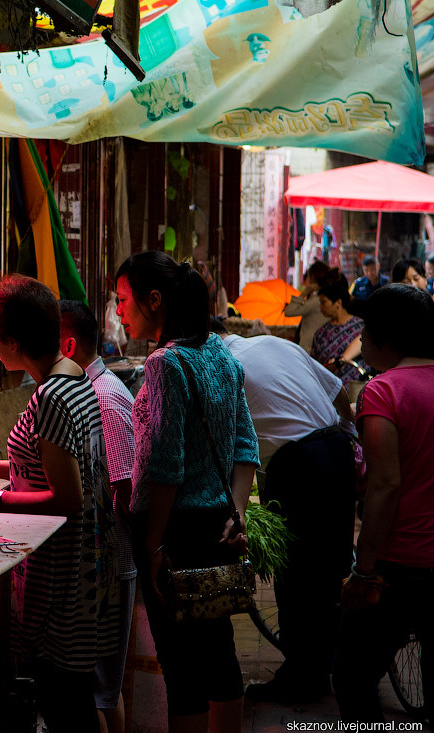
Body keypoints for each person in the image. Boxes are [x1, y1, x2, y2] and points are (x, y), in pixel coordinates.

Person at [0, 275, 114, 733]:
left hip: (64, 577)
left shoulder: (51, 396)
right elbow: (56, 463)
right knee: (71, 698)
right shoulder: (75, 379)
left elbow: (68, 498)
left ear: (11, 341)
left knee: (66, 704)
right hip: (84, 568)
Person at [114, 251, 258, 733]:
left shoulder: (164, 364)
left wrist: (154, 544)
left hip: (173, 528)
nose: (119, 311)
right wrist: (236, 514)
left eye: (124, 300)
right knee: (218, 651)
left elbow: (166, 466)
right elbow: (245, 444)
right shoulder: (219, 352)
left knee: (181, 666)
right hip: (217, 523)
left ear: (154, 301)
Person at [210, 319, 357, 703]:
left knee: (297, 576)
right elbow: (338, 388)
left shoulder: (222, 365)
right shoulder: (276, 345)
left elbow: (230, 445)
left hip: (297, 464)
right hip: (337, 451)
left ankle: (301, 679)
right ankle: (325, 667)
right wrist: (350, 431)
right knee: (332, 569)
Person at [333, 284, 434, 723]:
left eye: (367, 330)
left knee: (353, 677)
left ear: (385, 337)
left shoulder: (381, 392)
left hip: (400, 564)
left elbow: (385, 485)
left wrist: (364, 571)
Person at [60, 299, 136, 733]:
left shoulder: (101, 397)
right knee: (101, 689)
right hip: (105, 560)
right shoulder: (91, 388)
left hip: (108, 562)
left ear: (68, 345)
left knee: (101, 692)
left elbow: (123, 486)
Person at [311, 272, 365, 385]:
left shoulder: (360, 327)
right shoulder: (320, 333)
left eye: (323, 302)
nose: (321, 307)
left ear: (338, 302)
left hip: (355, 388)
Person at [283, 259, 332, 354]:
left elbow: (289, 312)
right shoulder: (326, 297)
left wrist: (304, 293)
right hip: (320, 345)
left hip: (309, 347)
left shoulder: (316, 301)